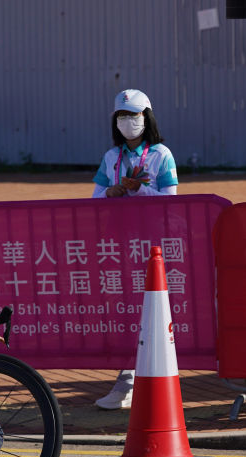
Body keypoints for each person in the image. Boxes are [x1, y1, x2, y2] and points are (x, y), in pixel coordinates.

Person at [92, 89, 178, 409]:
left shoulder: (161, 155)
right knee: (128, 310)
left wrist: (140, 191)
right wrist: (111, 193)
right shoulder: (111, 157)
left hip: (154, 246)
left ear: (147, 117)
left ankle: (145, 380)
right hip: (120, 245)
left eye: (134, 115)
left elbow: (171, 201)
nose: (128, 121)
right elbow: (95, 198)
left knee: (154, 308)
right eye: (122, 116)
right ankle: (127, 379)